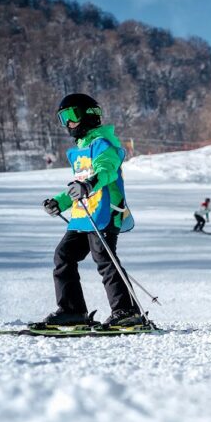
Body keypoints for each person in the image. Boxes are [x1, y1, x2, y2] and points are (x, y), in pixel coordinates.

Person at [41, 93, 139, 327]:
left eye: (71, 116)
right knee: (63, 256)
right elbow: (79, 183)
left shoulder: (104, 145)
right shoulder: (82, 149)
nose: (68, 124)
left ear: (87, 116)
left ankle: (126, 311)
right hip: (84, 214)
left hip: (105, 213)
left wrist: (88, 184)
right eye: (63, 118)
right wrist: (60, 201)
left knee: (104, 258)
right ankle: (72, 310)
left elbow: (106, 170)